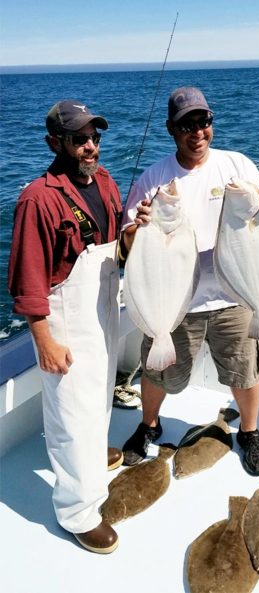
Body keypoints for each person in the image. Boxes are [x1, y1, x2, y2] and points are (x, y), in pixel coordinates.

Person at [120, 86, 259, 476]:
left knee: (244, 369)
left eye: (203, 121)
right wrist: (136, 228)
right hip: (175, 301)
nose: (197, 131)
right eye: (187, 124)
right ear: (171, 129)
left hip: (234, 292)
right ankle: (149, 425)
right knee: (158, 370)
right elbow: (125, 249)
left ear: (211, 123)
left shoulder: (237, 165)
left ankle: (250, 431)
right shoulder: (153, 179)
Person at [8, 100, 125, 553]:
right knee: (71, 414)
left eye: (94, 136)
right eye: (79, 139)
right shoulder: (37, 198)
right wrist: (44, 341)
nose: (90, 146)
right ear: (55, 143)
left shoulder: (107, 181)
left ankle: (94, 459)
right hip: (66, 319)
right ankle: (77, 511)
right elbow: (28, 279)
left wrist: (133, 234)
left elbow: (113, 241)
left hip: (103, 309)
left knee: (99, 395)